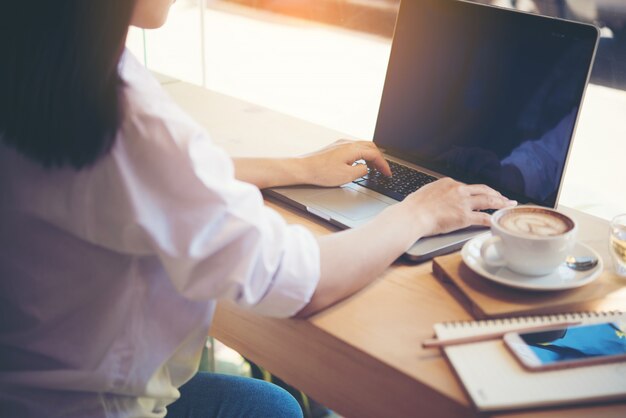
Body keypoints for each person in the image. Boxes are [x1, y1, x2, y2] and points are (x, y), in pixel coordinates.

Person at [0, 1, 515, 417]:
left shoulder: (40, 65)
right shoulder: (127, 120)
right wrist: (420, 213)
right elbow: (297, 283)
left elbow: (147, 179)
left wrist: (298, 167)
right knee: (271, 409)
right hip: (93, 406)